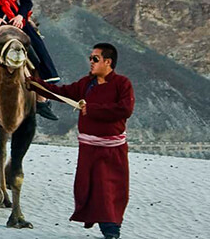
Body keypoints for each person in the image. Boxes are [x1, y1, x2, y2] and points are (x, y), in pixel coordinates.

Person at [29, 43, 134, 239]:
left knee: (109, 188)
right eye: (90, 58)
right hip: (88, 148)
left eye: (95, 58)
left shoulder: (122, 83)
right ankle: (104, 223)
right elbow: (62, 92)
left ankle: (111, 229)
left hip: (112, 149)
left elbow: (125, 109)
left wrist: (92, 109)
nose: (91, 62)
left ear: (108, 62)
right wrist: (35, 85)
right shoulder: (87, 83)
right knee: (87, 187)